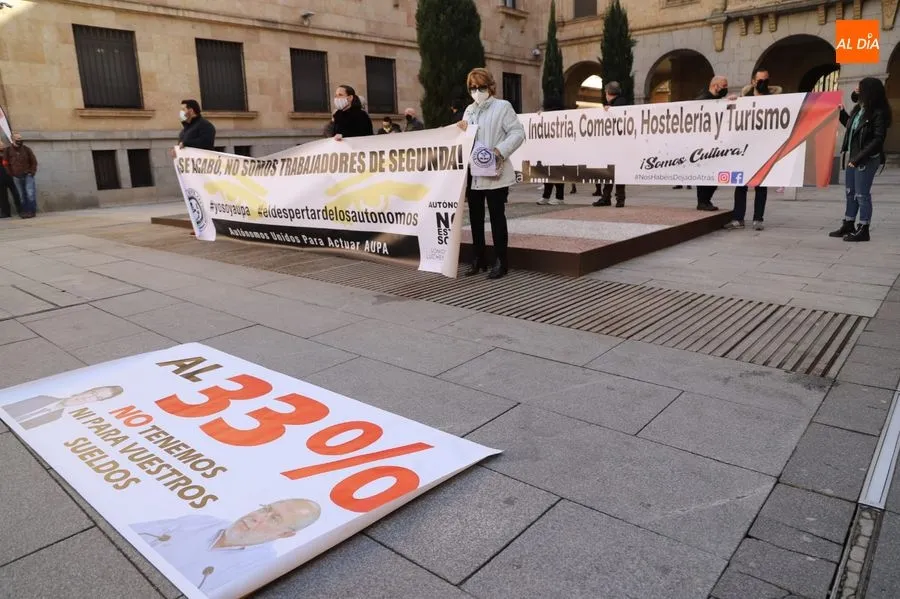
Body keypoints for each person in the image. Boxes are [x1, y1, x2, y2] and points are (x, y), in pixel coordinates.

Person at [132, 499, 320, 595]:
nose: (257, 516)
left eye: (274, 519)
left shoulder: (260, 569)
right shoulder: (201, 521)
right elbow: (132, 533)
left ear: (285, 534)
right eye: (265, 509)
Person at [457, 67, 525, 280]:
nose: (477, 91)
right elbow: (466, 138)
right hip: (474, 172)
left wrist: (499, 150)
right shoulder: (469, 110)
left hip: (496, 170)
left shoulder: (502, 107)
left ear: (490, 87)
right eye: (472, 88)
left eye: (481, 87)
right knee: (475, 217)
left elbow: (517, 132)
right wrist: (460, 131)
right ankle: (479, 259)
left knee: (497, 217)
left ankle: (501, 261)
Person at [829, 77, 892, 242]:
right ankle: (848, 223)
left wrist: (858, 158)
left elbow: (878, 140)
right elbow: (851, 128)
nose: (856, 90)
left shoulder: (878, 113)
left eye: (860, 88)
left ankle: (863, 228)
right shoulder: (859, 110)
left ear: (869, 91)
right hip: (854, 156)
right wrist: (841, 113)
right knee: (850, 192)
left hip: (866, 158)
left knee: (862, 194)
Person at [724, 69, 783, 230]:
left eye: (766, 80)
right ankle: (738, 218)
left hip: (763, 149)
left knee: (761, 185)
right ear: (753, 81)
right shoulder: (744, 99)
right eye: (760, 80)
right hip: (744, 148)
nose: (763, 83)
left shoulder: (775, 100)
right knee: (740, 184)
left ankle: (758, 219)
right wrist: (732, 102)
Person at [694, 76, 736, 212]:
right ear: (715, 86)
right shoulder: (703, 100)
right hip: (705, 144)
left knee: (715, 175)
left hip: (716, 144)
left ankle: (705, 200)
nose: (726, 88)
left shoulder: (717, 100)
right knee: (706, 174)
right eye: (724, 86)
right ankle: (703, 201)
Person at [1, 386, 124, 430]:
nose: (88, 397)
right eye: (93, 392)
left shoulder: (56, 417)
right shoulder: (42, 397)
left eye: (97, 397)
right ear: (86, 391)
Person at [593, 82, 629, 207]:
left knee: (615, 172)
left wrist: (610, 110)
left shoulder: (618, 104)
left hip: (617, 145)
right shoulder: (618, 103)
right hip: (616, 144)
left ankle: (616, 198)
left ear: (608, 93)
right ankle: (609, 197)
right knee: (612, 172)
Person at [536, 96, 566, 206]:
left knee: (555, 172)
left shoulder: (560, 116)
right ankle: (548, 196)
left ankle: (558, 197)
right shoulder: (553, 115)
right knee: (549, 172)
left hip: (557, 148)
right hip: (550, 148)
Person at [3, 133, 37, 218]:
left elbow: (34, 161)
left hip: (28, 174)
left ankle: (31, 211)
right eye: (18, 138)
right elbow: (5, 163)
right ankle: (24, 211)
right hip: (16, 176)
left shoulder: (26, 149)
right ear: (13, 140)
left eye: (20, 138)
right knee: (21, 195)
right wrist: (10, 173)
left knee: (30, 193)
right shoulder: (8, 150)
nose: (20, 140)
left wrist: (32, 172)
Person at [0, 140, 21, 218]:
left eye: (1, 144)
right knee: (3, 196)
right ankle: (5, 213)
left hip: (9, 176)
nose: (1, 146)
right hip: (1, 178)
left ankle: (20, 210)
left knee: (15, 194)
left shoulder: (8, 152)